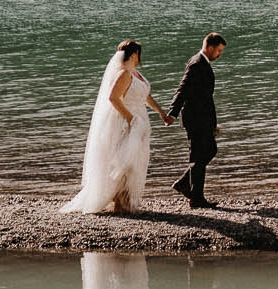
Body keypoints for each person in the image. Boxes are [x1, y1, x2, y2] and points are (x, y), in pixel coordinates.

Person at [61, 39, 171, 215]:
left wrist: (160, 112)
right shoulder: (123, 74)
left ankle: (124, 200)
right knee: (125, 162)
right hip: (128, 123)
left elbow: (145, 96)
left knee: (136, 160)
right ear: (135, 54)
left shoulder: (135, 73)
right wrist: (130, 119)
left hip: (140, 121)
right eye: (139, 54)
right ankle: (119, 201)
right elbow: (113, 98)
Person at [165, 32, 226, 208]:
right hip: (195, 118)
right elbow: (182, 89)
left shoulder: (202, 63)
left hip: (203, 118)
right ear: (211, 47)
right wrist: (172, 113)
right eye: (219, 51)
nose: (219, 54)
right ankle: (196, 197)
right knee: (198, 157)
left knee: (209, 151)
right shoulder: (197, 64)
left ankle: (185, 184)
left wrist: (212, 123)